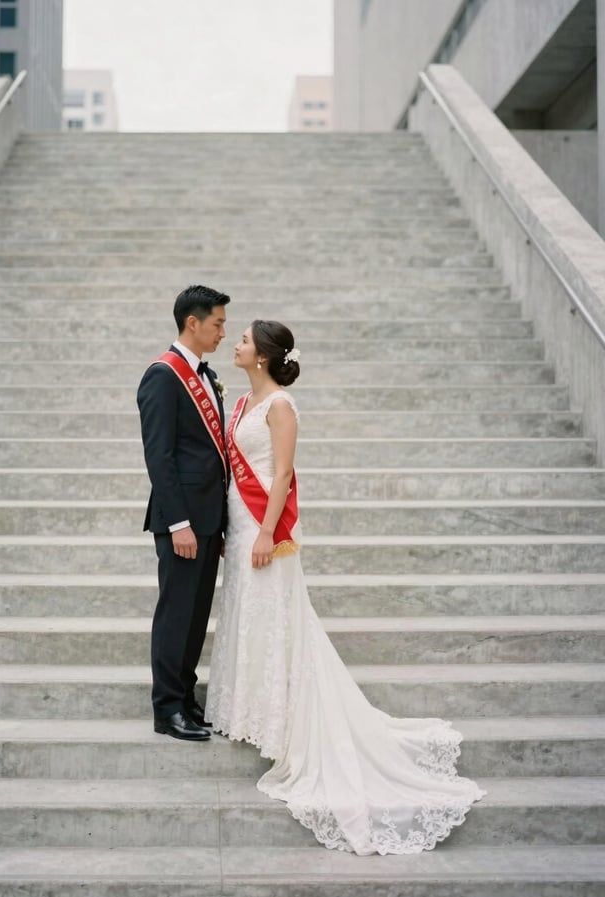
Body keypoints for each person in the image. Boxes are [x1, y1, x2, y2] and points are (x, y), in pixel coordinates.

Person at [206, 319, 485, 854]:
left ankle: (283, 715)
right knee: (247, 611)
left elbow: (283, 476)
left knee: (275, 613)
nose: (236, 344)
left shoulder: (281, 407)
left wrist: (266, 532)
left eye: (243, 340)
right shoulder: (241, 406)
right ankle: (252, 708)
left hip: (269, 527)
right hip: (240, 522)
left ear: (262, 356)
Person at [137, 284, 230, 741]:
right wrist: (178, 523)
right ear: (192, 323)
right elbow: (161, 457)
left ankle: (186, 700)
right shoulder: (162, 375)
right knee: (176, 613)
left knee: (195, 616)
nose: (222, 332)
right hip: (183, 523)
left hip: (209, 518)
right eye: (217, 323)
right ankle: (166, 708)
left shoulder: (205, 375)